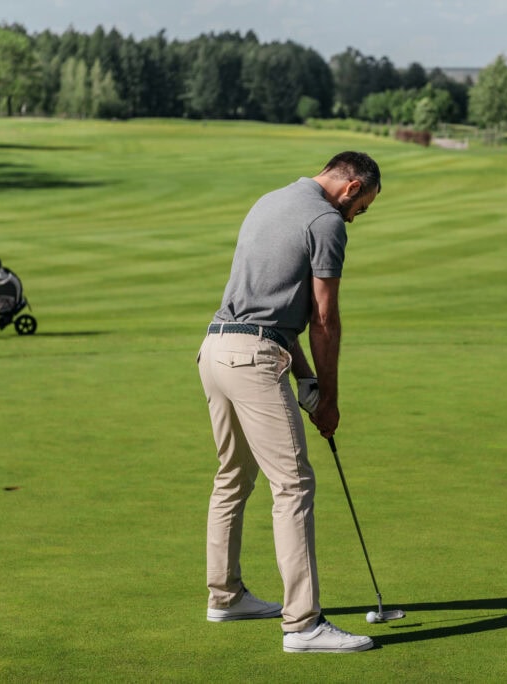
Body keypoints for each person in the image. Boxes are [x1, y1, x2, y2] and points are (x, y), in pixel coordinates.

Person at [197, 151, 381, 652]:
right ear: (352, 187)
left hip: (215, 348)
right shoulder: (326, 221)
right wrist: (330, 398)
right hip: (254, 358)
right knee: (294, 485)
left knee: (232, 476)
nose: (355, 217)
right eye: (361, 207)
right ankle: (303, 625)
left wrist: (305, 383)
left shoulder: (271, 201)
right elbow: (323, 321)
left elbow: (272, 308)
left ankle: (226, 596)